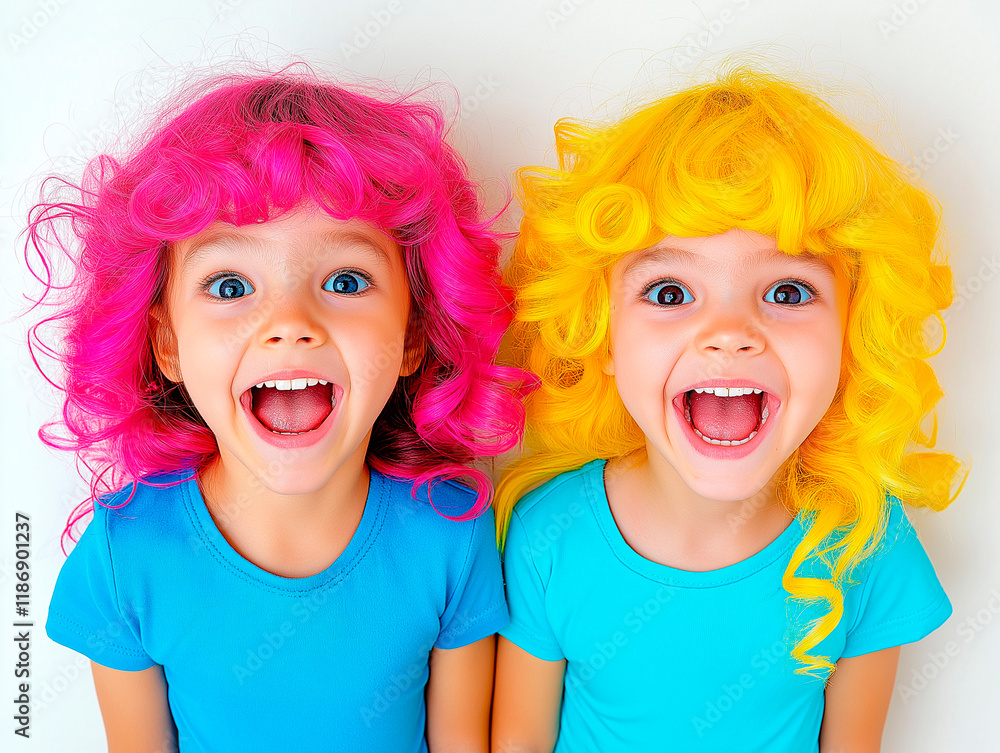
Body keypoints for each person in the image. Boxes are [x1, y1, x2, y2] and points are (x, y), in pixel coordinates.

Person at [29, 68, 531, 752]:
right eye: (230, 286)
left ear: (414, 334)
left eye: (345, 281)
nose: (290, 323)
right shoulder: (127, 554)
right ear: (167, 344)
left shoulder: (449, 536)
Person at [491, 63, 966, 753]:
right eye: (670, 293)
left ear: (852, 336)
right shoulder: (549, 535)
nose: (729, 333)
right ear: (600, 334)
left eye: (787, 292)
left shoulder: (864, 542)